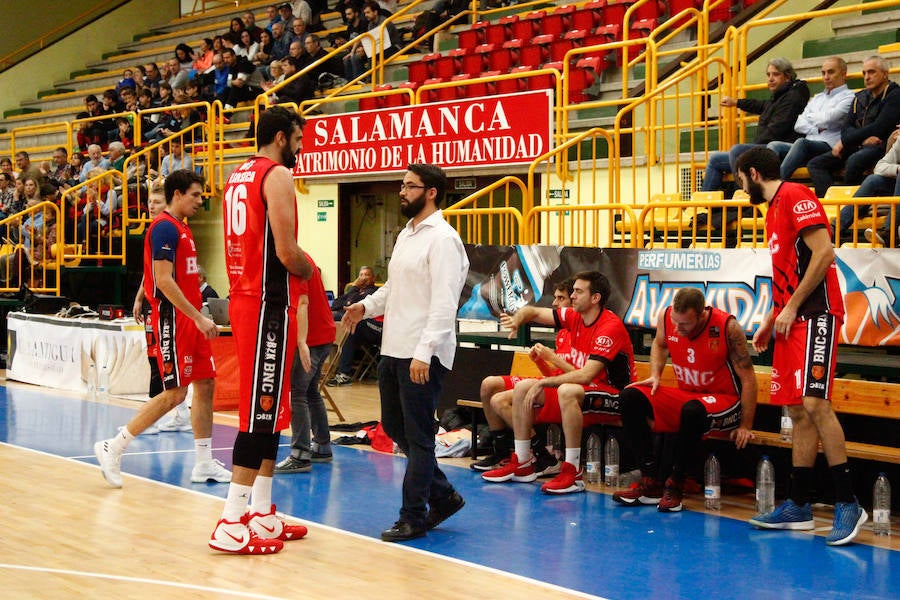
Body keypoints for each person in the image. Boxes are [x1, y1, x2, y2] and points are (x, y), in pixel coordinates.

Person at [735, 146, 868, 546]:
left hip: (817, 314)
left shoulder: (794, 194)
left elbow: (825, 253)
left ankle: (849, 503)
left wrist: (791, 308)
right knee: (796, 408)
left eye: (741, 181)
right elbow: (788, 273)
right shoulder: (773, 210)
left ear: (754, 173)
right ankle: (798, 504)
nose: (741, 189)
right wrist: (770, 319)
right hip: (791, 319)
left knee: (815, 403)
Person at [342, 163, 469, 542]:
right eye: (402, 184)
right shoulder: (406, 235)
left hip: (420, 354)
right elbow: (393, 290)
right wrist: (365, 306)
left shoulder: (443, 239)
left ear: (431, 192)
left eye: (410, 186)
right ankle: (443, 495)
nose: (402, 191)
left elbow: (444, 305)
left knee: (418, 438)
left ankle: (413, 515)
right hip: (393, 348)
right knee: (396, 429)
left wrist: (424, 352)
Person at [212, 106, 314, 555]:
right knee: (259, 413)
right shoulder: (276, 175)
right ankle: (231, 519)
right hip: (266, 304)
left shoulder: (238, 175)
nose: (300, 147)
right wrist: (313, 270)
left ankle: (262, 510)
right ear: (279, 137)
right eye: (296, 138)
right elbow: (289, 253)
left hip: (246, 299)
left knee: (269, 410)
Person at [94, 170, 230, 489]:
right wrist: (197, 317)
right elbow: (164, 281)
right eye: (196, 195)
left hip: (190, 320)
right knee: (174, 394)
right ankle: (113, 447)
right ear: (178, 194)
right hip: (174, 320)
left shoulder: (182, 228)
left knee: (206, 384)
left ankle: (203, 462)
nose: (200, 200)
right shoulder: (165, 228)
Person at [482, 271, 635, 495]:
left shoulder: (609, 326)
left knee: (566, 390)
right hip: (586, 390)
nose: (572, 296)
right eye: (572, 291)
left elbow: (585, 376)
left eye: (578, 291)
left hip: (617, 395)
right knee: (524, 388)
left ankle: (573, 471)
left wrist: (546, 382)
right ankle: (524, 462)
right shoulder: (574, 317)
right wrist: (518, 319)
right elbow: (533, 311)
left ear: (596, 298)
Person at [610, 287, 757, 511]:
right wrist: (655, 374)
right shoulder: (667, 317)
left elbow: (748, 377)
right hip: (690, 396)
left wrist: (746, 425)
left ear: (702, 314)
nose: (677, 329)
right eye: (675, 322)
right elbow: (659, 345)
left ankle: (676, 483)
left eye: (685, 324)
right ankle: (651, 480)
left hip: (724, 400)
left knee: (692, 410)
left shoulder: (727, 327)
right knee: (630, 396)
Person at [470, 278, 575, 475]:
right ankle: (501, 453)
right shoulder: (562, 332)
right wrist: (540, 361)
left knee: (500, 401)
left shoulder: (582, 329)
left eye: (561, 298)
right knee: (488, 385)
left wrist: (551, 357)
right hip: (553, 383)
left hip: (568, 389)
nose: (554, 303)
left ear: (574, 302)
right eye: (555, 298)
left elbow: (582, 377)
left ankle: (542, 454)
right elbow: (552, 374)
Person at [131, 180, 192, 434]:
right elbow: (151, 273)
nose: (151, 207)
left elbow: (164, 276)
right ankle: (176, 412)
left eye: (155, 202)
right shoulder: (159, 229)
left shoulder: (169, 229)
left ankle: (156, 415)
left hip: (171, 310)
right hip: (156, 305)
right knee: (155, 357)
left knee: (163, 361)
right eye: (148, 203)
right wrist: (139, 298)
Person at [700, 58, 809, 197]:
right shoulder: (780, 95)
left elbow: (777, 129)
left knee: (738, 150)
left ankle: (746, 194)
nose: (770, 79)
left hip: (778, 149)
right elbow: (761, 105)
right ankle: (701, 207)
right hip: (765, 146)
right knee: (715, 160)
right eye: (768, 75)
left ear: (787, 77)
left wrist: (754, 149)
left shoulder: (793, 97)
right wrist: (736, 102)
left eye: (775, 74)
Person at [274, 255, 337, 473]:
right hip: (323, 334)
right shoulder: (303, 257)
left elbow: (302, 302)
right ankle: (322, 445)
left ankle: (300, 454)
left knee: (297, 393)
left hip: (312, 337)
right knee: (310, 391)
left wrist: (301, 342)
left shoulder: (290, 261)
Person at [806, 55, 900, 198]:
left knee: (855, 160)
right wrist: (860, 140)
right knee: (815, 164)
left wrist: (846, 141)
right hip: (858, 145)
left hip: (881, 147)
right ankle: (830, 202)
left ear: (885, 74)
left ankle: (849, 206)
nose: (867, 77)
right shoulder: (859, 97)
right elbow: (846, 129)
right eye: (864, 73)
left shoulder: (895, 94)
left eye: (871, 72)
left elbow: (879, 128)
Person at [770, 57, 855, 181]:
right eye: (823, 73)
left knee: (801, 143)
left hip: (829, 146)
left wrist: (810, 117)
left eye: (831, 72)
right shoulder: (818, 98)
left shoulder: (849, 96)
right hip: (808, 145)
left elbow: (829, 118)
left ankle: (776, 184)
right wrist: (817, 127)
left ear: (843, 74)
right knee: (774, 145)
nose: (826, 77)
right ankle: (767, 180)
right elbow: (798, 124)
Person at [326, 265, 381, 386]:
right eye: (361, 275)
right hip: (359, 328)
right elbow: (335, 304)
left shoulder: (374, 292)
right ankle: (338, 371)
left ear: (373, 278)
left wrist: (354, 288)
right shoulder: (355, 291)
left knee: (353, 320)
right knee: (330, 316)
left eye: (366, 275)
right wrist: (354, 289)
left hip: (376, 328)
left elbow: (353, 304)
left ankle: (344, 374)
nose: (363, 278)